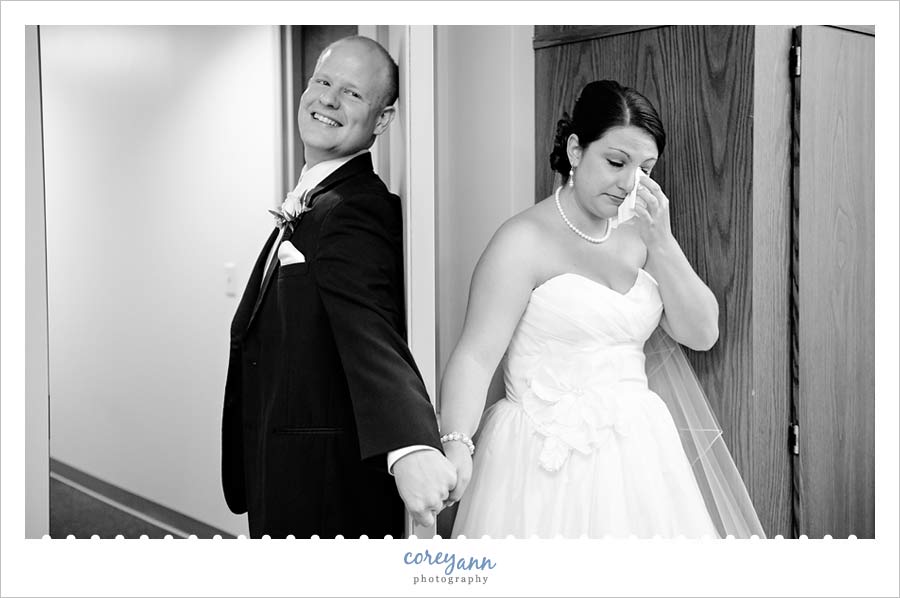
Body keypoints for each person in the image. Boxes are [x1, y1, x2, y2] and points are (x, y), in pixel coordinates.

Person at [439, 80, 765, 538]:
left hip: (638, 453)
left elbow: (702, 332)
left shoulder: (642, 235)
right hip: (541, 454)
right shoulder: (521, 241)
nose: (630, 182)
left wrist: (662, 242)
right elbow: (476, 356)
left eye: (645, 169)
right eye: (616, 162)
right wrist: (456, 442)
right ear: (576, 150)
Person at [221, 36, 456, 539]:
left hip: (323, 491)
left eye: (351, 93)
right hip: (284, 472)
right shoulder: (316, 198)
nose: (327, 99)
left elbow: (369, 328)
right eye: (323, 82)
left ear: (382, 119)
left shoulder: (356, 208)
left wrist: (409, 446)